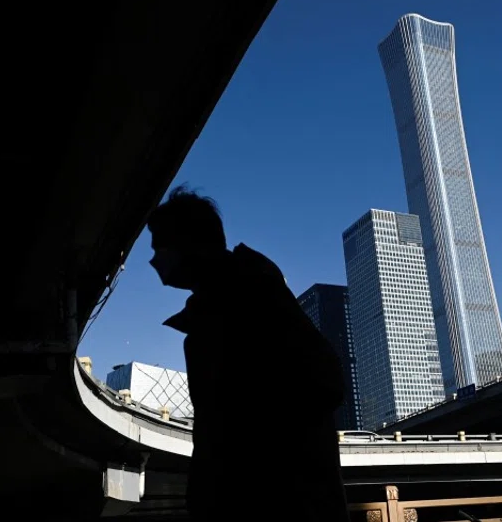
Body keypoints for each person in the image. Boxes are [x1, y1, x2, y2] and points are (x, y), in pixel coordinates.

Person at [147, 185, 350, 522]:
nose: (155, 260)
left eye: (160, 247)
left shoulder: (251, 305)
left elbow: (322, 383)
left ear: (189, 244)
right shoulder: (228, 308)